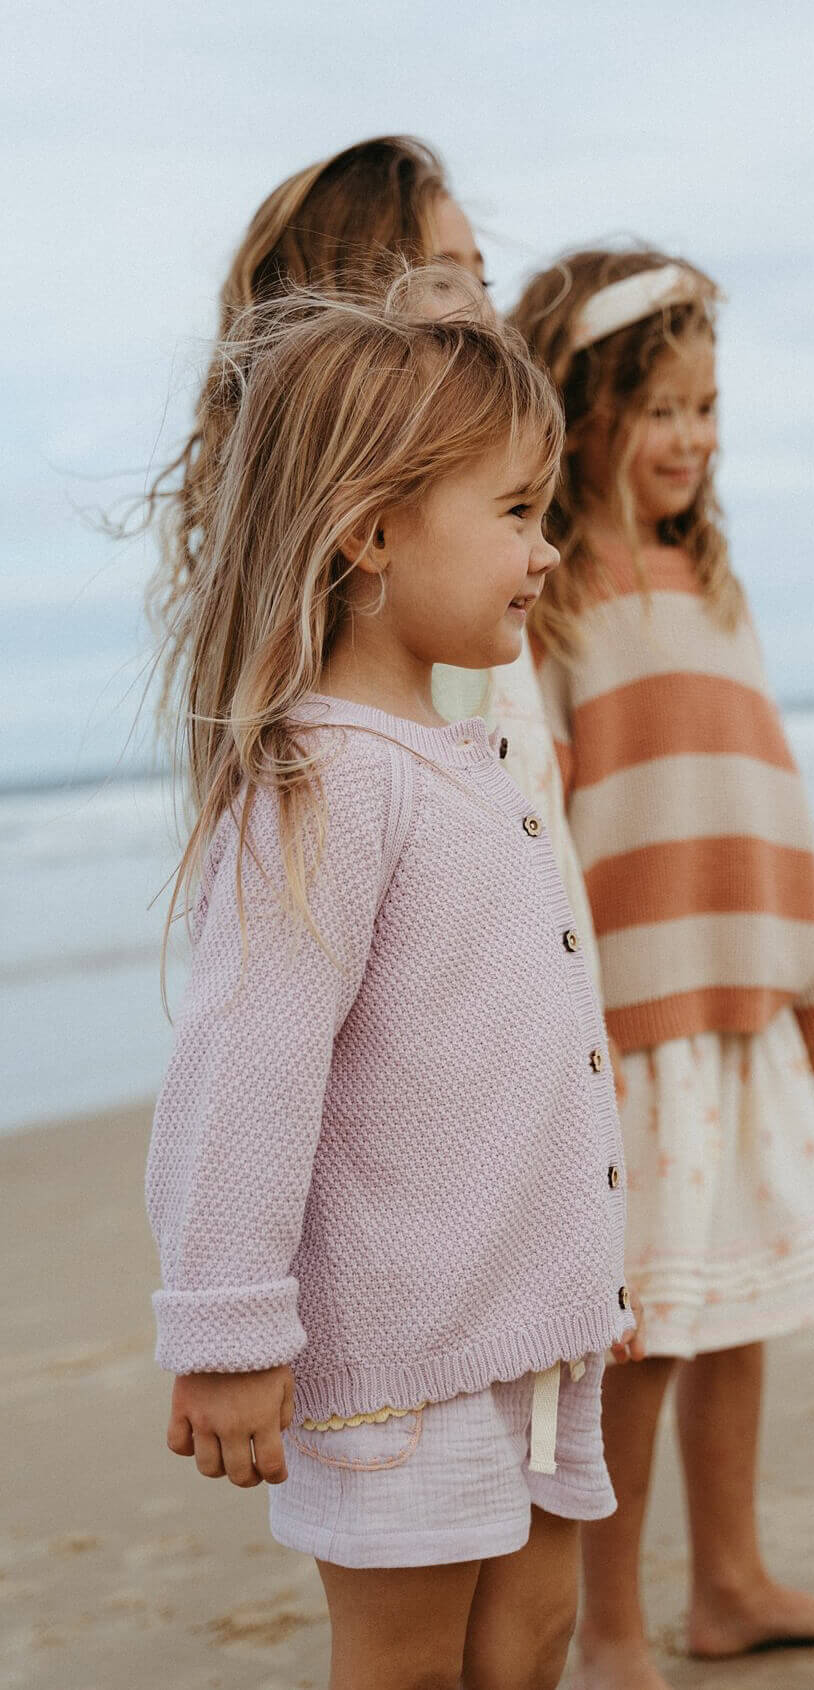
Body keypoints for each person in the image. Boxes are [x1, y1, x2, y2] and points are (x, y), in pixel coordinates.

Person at [145, 274, 636, 1690]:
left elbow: (528, 1051)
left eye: (548, 512)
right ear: (371, 530)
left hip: (535, 1332)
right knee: (411, 1664)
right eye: (514, 512)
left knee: (529, 1642)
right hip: (406, 1350)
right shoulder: (326, 781)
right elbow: (249, 1066)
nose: (545, 550)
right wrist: (228, 1324)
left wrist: (597, 1270)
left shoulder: (466, 758)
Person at [510, 248, 814, 1687]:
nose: (692, 437)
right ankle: (612, 1625)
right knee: (644, 1335)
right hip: (629, 1024)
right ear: (583, 406)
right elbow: (537, 833)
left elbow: (771, 797)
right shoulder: (545, 600)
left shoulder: (712, 583)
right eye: (662, 406)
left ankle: (729, 1581)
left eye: (708, 407)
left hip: (745, 1006)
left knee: (735, 1309)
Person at [144, 133, 598, 969]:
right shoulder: (353, 709)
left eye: (483, 282)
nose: (488, 318)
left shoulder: (467, 591)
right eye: (445, 282)